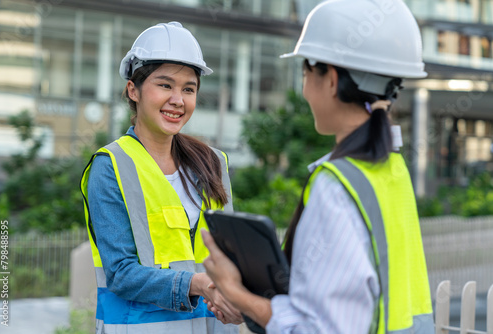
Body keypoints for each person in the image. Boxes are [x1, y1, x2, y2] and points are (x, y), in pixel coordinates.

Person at [201, 1, 434, 333]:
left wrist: (236, 292)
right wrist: (258, 305)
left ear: (331, 80)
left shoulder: (336, 188)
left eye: (306, 73)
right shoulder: (392, 170)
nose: (305, 89)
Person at [80, 22, 241, 334]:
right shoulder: (111, 165)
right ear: (133, 90)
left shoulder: (213, 163)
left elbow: (228, 257)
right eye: (165, 85)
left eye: (188, 88)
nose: (178, 100)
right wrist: (197, 284)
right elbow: (121, 273)